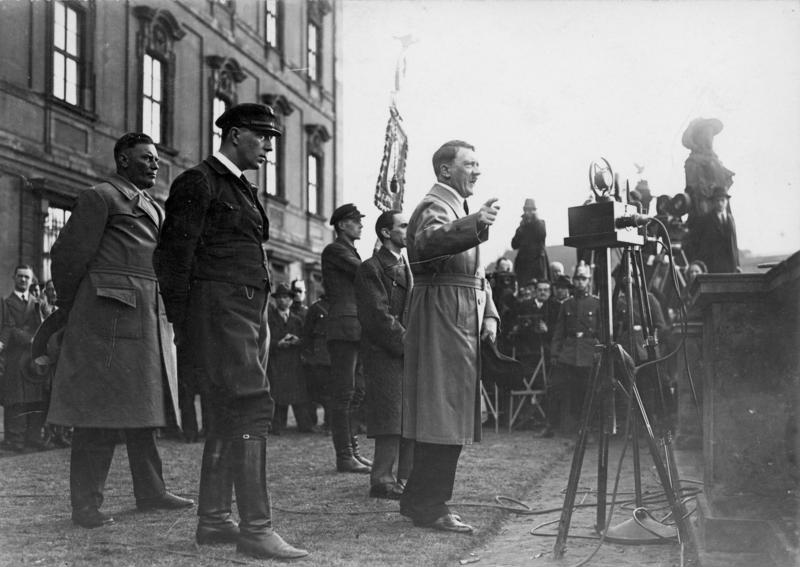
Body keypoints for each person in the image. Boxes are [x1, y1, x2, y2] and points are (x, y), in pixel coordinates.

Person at [154, 104, 307, 560]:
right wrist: (188, 329)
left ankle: (216, 520)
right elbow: (172, 262)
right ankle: (257, 530)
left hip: (243, 312)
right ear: (235, 134)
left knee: (226, 410)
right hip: (218, 312)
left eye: (272, 138)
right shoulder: (198, 183)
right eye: (262, 136)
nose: (269, 146)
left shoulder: (238, 187)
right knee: (252, 404)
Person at [47, 133, 193, 529]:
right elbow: (67, 256)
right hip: (108, 319)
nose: (154, 164)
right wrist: (77, 304)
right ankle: (85, 505)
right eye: (146, 158)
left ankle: (151, 491)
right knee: (99, 411)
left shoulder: (151, 206)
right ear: (123, 160)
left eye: (157, 159)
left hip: (146, 314)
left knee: (144, 408)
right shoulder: (101, 197)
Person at [400, 140, 499, 534]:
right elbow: (427, 245)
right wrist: (476, 223)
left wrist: (489, 313)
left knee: (448, 412)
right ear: (445, 170)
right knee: (442, 413)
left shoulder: (453, 206)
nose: (477, 170)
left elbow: (478, 274)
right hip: (443, 312)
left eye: (478, 163)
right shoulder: (434, 205)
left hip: (456, 313)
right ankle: (429, 504)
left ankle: (422, 500)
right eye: (469, 163)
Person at [355, 210, 414, 500]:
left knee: (408, 416)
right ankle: (381, 480)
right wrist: (409, 343)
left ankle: (405, 478)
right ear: (386, 233)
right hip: (384, 352)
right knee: (390, 417)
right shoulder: (371, 268)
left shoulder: (408, 265)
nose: (409, 228)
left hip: (406, 350)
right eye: (403, 225)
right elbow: (377, 316)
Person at [321, 203, 372, 474]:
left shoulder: (347, 250)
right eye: (355, 221)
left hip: (354, 328)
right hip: (344, 328)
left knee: (357, 392)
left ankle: (352, 452)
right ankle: (344, 455)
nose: (360, 225)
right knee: (344, 393)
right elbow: (365, 273)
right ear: (342, 225)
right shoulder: (336, 250)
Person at [546, 263, 600, 437]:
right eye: (577, 278)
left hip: (588, 353)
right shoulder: (567, 304)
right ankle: (558, 426)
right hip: (569, 354)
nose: (579, 282)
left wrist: (599, 352)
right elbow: (559, 331)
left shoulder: (596, 304)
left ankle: (588, 429)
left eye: (583, 278)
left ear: (589, 281)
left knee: (587, 392)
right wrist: (555, 353)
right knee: (560, 388)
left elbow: (602, 332)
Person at [0, 265, 47, 452]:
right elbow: (9, 327)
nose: (23, 280)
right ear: (14, 278)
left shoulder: (37, 302)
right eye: (20, 276)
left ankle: (33, 438)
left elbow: (44, 324)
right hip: (15, 356)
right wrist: (32, 339)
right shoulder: (5, 302)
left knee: (35, 398)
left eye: (27, 277)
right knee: (16, 399)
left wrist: (39, 339)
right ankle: (15, 439)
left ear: (31, 279)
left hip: (33, 358)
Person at [267, 283, 314, 434]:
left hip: (294, 362)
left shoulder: (297, 319)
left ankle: (304, 425)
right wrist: (278, 343)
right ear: (275, 300)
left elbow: (305, 340)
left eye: (286, 297)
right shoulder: (269, 319)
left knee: (299, 394)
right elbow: (265, 341)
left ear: (291, 300)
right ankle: (278, 426)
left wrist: (297, 341)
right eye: (279, 298)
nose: (282, 301)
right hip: (277, 361)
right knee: (279, 395)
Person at [301, 289, 333, 432]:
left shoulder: (339, 305)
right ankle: (313, 423)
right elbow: (307, 333)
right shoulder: (315, 308)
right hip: (319, 359)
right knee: (318, 393)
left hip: (335, 357)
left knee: (333, 394)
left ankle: (330, 423)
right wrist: (309, 355)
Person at [687, 186, 740, 273]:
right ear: (713, 202)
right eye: (717, 200)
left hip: (730, 268)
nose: (720, 203)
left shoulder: (731, 219)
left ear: (727, 201)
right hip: (713, 268)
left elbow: (734, 243)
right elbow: (695, 243)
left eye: (722, 200)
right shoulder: (705, 220)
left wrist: (737, 265)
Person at [511, 198, 550, 285]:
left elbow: (542, 235)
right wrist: (521, 228)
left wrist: (534, 220)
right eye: (526, 210)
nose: (527, 213)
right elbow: (514, 245)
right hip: (523, 265)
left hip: (537, 265)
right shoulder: (522, 228)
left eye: (530, 210)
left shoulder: (540, 224)